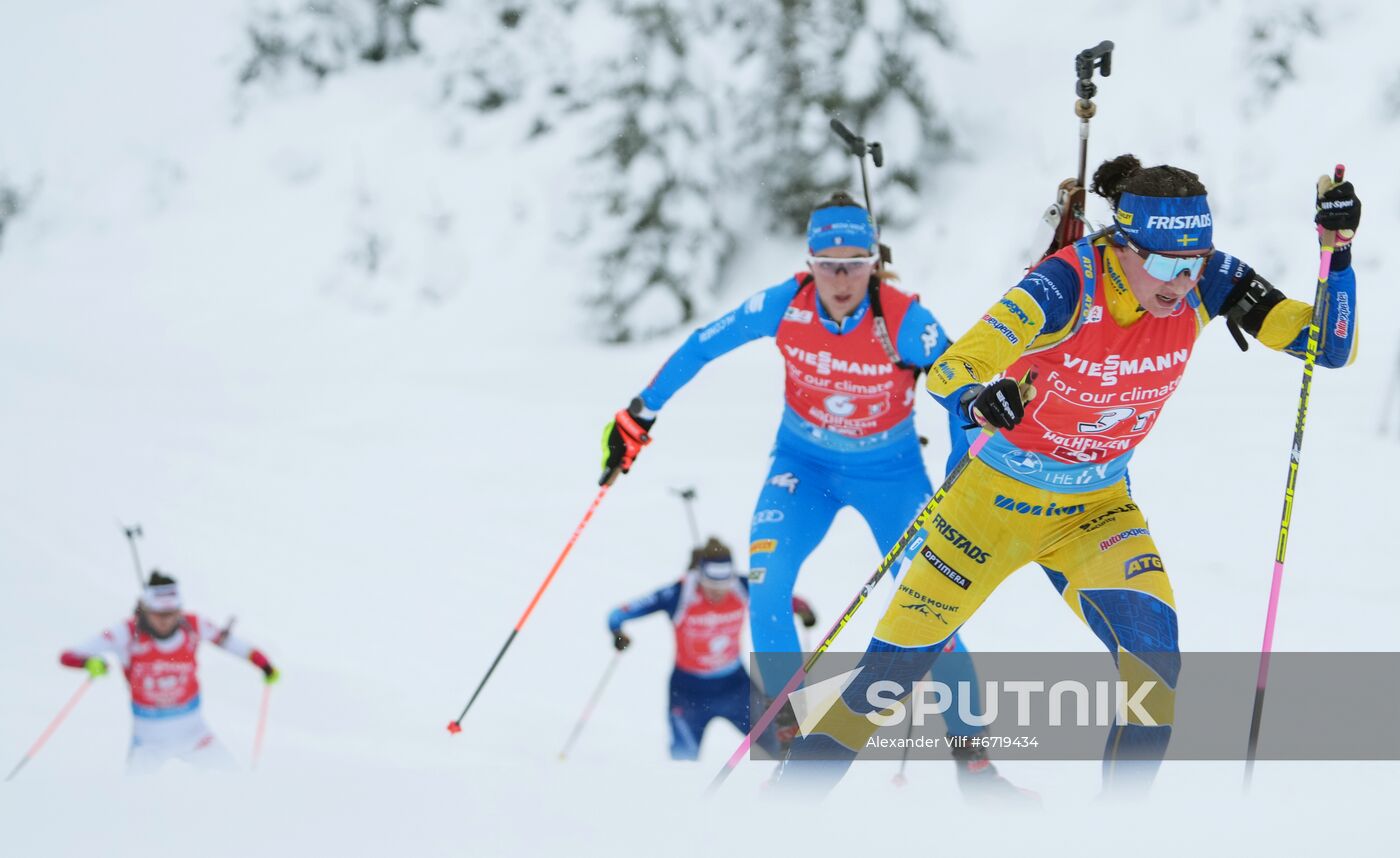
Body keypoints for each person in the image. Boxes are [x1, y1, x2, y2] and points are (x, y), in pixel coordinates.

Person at [775, 156, 1361, 793]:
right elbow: (952, 367)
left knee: (1156, 677)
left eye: (1193, 264)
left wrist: (1341, 255)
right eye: (1165, 264)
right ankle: (775, 816)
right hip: (988, 506)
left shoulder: (1209, 280)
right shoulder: (1066, 284)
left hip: (1096, 510)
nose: (1180, 282)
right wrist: (979, 399)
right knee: (881, 687)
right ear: (1122, 247)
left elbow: (1328, 347)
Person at [600, 192, 1023, 794]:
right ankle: (798, 738)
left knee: (936, 604)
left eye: (856, 261)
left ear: (874, 261)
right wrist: (641, 412)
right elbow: (702, 344)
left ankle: (975, 761)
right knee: (768, 587)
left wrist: (963, 464)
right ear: (810, 264)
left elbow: (963, 390)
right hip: (804, 468)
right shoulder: (785, 305)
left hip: (892, 475)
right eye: (830, 263)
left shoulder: (903, 318)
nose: (843, 277)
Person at [608, 537, 814, 760]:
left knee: (782, 747)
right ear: (699, 576)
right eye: (711, 585)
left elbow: (785, 599)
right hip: (688, 693)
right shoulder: (679, 592)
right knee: (682, 763)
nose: (718, 592)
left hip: (736, 688)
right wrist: (618, 633)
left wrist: (803, 610)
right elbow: (619, 614)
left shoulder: (743, 586)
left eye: (723, 584)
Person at [59, 571, 279, 774]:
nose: (165, 620)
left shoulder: (193, 625)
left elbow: (231, 643)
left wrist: (264, 664)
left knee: (233, 781)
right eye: (158, 614)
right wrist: (90, 663)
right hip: (148, 740)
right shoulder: (126, 631)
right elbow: (69, 655)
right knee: (133, 801)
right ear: (145, 609)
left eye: (171, 613)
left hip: (194, 732)